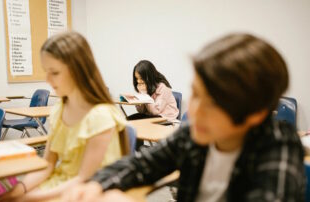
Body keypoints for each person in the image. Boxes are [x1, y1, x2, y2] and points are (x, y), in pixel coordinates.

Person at [62, 33, 305, 202]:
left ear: (256, 114)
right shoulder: (195, 135)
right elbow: (141, 164)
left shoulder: (278, 147)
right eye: (195, 93)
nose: (194, 111)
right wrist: (96, 184)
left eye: (211, 103)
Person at [0, 32, 128, 202]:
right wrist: (19, 190)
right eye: (46, 71)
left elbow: (84, 179)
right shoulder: (59, 109)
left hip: (87, 193)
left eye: (55, 72)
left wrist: (29, 197)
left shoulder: (100, 116)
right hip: (60, 186)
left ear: (78, 71)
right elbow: (48, 164)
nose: (47, 79)